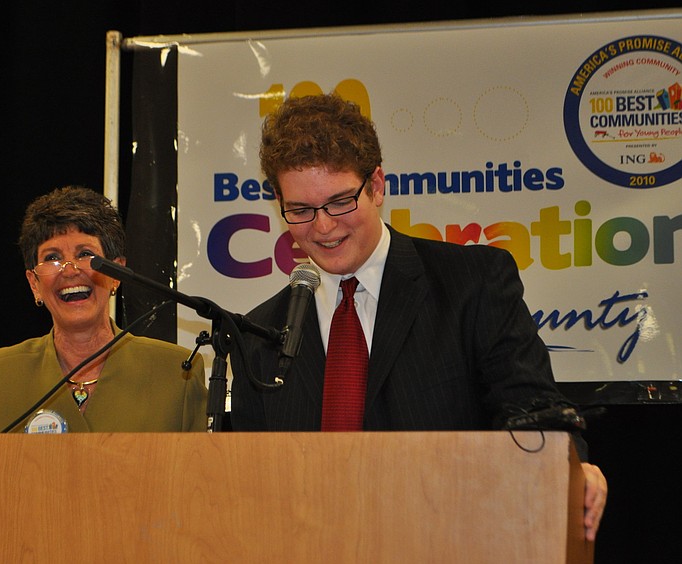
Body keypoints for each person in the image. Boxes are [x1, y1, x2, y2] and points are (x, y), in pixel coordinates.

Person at [229, 94, 607, 540]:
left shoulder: (473, 284)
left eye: (339, 202)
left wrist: (572, 466)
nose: (324, 227)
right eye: (300, 211)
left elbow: (534, 413)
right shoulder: (259, 334)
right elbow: (249, 485)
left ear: (377, 186)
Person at [0, 185, 207, 433]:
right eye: (52, 257)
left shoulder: (178, 374)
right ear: (34, 283)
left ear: (116, 274)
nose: (69, 270)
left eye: (85, 253)